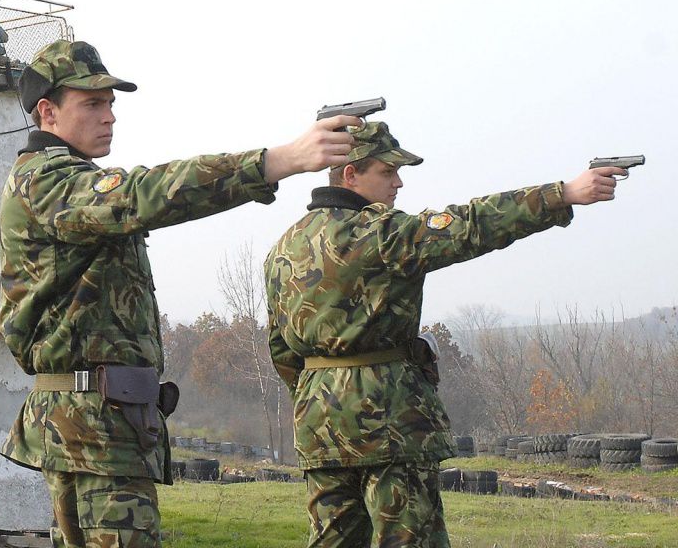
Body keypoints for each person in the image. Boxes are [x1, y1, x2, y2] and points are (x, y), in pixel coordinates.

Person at [0, 39, 362, 548]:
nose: (110, 117)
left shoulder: (62, 179)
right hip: (91, 427)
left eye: (111, 104)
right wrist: (277, 161)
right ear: (47, 112)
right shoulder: (47, 180)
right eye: (93, 103)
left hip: (94, 422)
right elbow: (149, 192)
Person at [263, 120, 624, 547]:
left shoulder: (283, 248)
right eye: (387, 172)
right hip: (390, 422)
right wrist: (562, 194)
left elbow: (281, 349)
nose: (398, 183)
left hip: (319, 423)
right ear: (350, 174)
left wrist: (321, 397)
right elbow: (472, 225)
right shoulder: (383, 233)